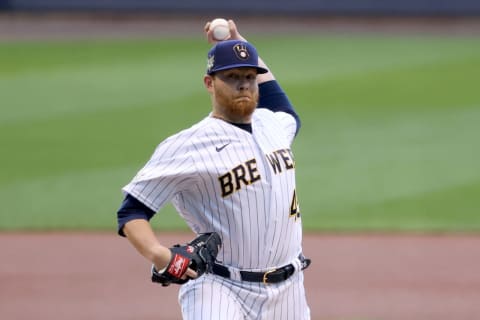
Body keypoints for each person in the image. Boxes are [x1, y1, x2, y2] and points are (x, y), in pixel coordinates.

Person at [116, 19, 311, 319]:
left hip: (289, 292)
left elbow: (284, 107)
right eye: (232, 76)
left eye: (249, 76)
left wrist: (239, 42)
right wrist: (160, 256)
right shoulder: (188, 145)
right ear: (210, 83)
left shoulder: (273, 124)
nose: (244, 84)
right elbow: (131, 212)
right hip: (220, 288)